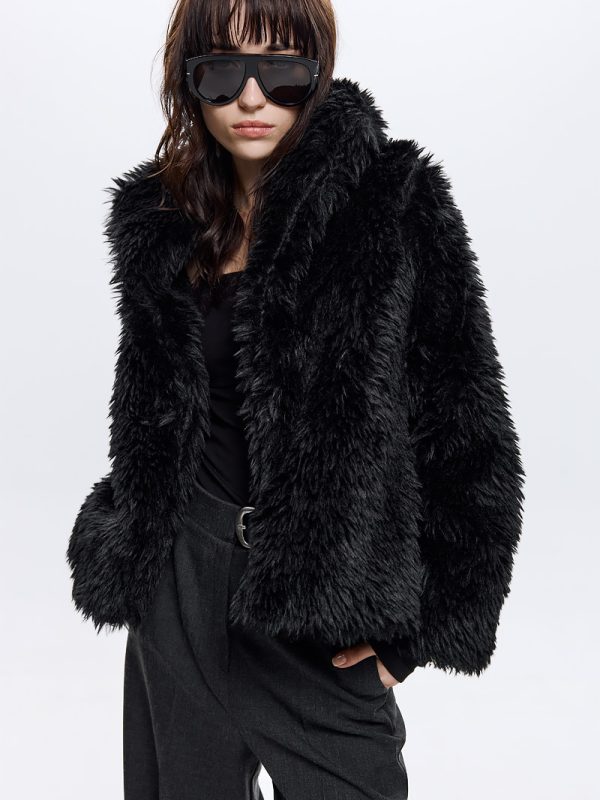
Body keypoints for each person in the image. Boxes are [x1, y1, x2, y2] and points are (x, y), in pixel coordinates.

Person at [66, 0, 526, 797]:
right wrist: (126, 534)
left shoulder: (393, 201)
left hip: (319, 615)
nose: (251, 97)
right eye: (223, 70)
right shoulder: (167, 222)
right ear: (190, 81)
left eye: (280, 68)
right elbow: (155, 414)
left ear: (318, 69)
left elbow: (470, 433)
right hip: (178, 590)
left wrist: (417, 635)